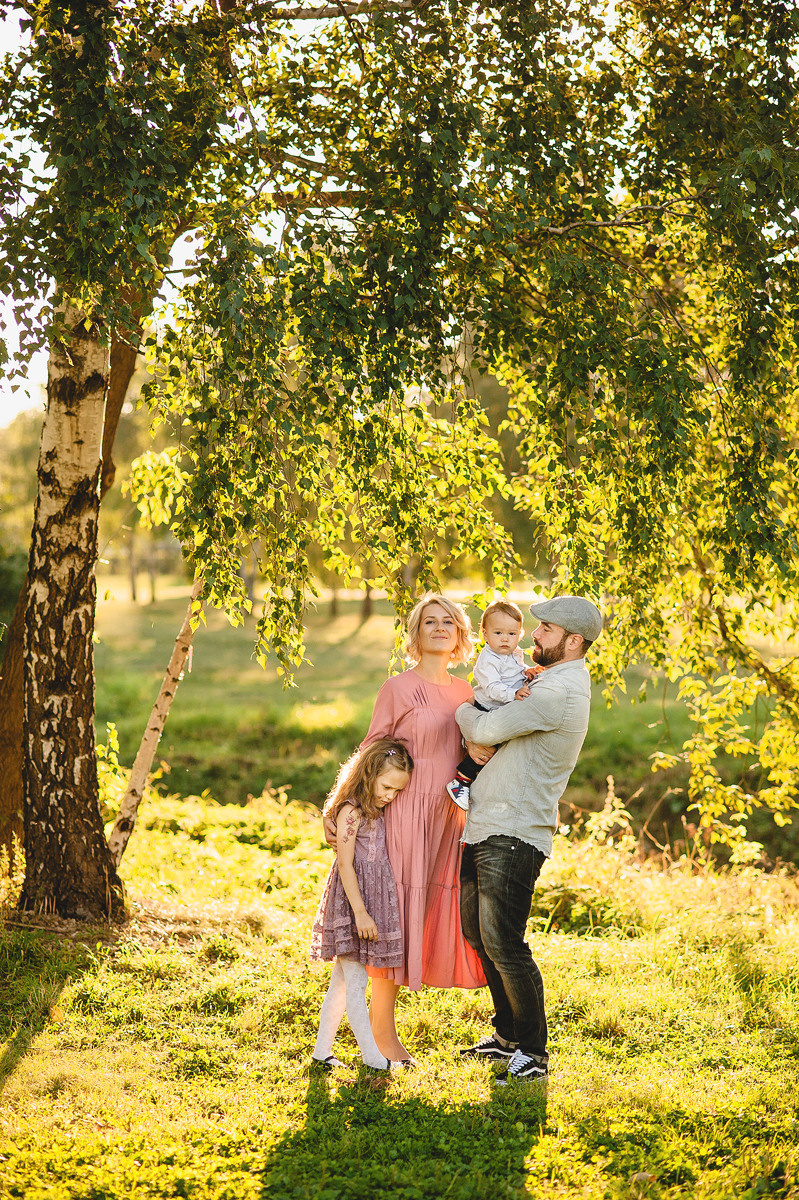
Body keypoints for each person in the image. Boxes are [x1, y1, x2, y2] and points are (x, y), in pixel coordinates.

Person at [323, 594, 489, 1062]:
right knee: (393, 913)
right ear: (415, 634)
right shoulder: (396, 688)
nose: (439, 627)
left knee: (425, 912)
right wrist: (336, 807)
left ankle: (381, 1030)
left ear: (460, 634)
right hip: (400, 815)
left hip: (448, 817)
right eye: (429, 621)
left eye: (448, 622)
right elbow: (371, 750)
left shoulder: (467, 692)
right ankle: (381, 1034)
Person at [455, 594, 602, 1084]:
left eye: (545, 629)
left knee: (505, 943)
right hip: (486, 822)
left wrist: (464, 716)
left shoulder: (559, 690)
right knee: (480, 935)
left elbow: (491, 725)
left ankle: (534, 1055)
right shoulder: (542, 679)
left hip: (515, 830)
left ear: (572, 640)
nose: (532, 636)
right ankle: (507, 1037)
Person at [310, 737, 414, 1072]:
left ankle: (321, 1054)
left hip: (368, 902)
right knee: (356, 982)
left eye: (397, 791)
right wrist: (361, 914)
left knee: (341, 979)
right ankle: (373, 1059)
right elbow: (344, 864)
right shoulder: (351, 811)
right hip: (354, 903)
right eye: (386, 787)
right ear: (369, 774)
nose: (390, 796)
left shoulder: (374, 809)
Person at [446, 599, 540, 810]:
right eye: (498, 633)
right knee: (487, 748)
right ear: (485, 634)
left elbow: (516, 670)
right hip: (487, 707)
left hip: (501, 708)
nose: (505, 639)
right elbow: (493, 688)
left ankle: (476, 784)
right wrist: (514, 694)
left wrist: (527, 672)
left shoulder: (514, 654)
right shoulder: (487, 660)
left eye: (512, 634)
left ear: (520, 634)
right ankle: (460, 781)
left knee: (499, 752)